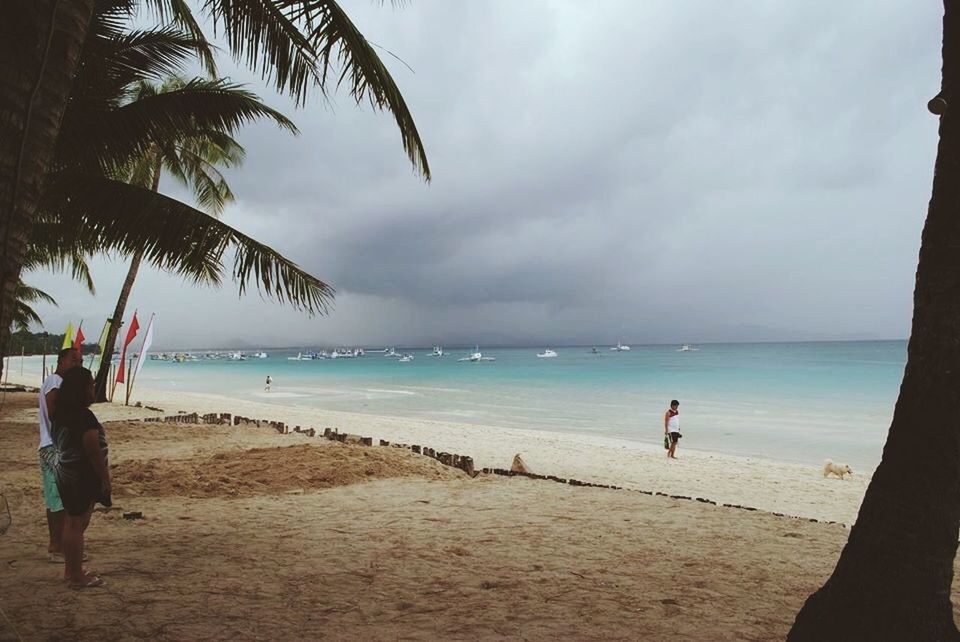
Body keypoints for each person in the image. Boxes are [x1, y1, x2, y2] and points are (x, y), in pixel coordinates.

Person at [52, 367, 111, 588]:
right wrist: (105, 478)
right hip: (80, 474)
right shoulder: (84, 416)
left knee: (71, 522)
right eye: (91, 385)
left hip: (65, 471)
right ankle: (76, 576)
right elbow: (92, 449)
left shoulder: (61, 413)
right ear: (81, 389)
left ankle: (71, 570)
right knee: (77, 523)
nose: (93, 389)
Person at [37, 347, 82, 562]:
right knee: (58, 500)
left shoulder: (58, 382)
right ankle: (57, 547)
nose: (77, 364)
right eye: (73, 360)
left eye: (80, 361)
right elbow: (54, 412)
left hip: (55, 446)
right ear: (60, 361)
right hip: (53, 447)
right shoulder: (55, 381)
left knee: (58, 499)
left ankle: (62, 545)